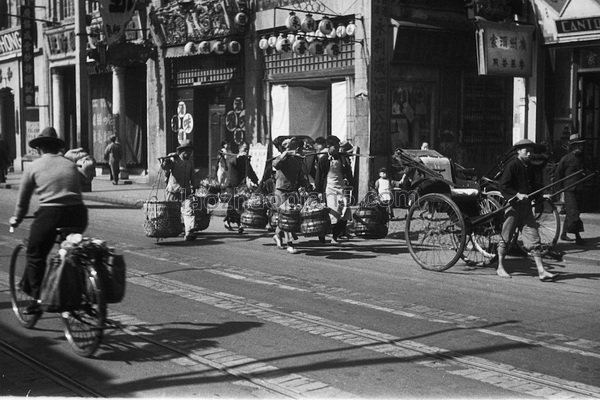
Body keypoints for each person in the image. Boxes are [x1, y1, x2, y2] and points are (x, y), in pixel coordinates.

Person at [9, 127, 88, 315]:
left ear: (39, 149)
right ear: (56, 147)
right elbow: (76, 190)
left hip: (50, 214)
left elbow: (22, 202)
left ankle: (37, 299)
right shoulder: (69, 164)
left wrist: (16, 219)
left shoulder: (33, 167)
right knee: (71, 253)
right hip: (78, 214)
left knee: (35, 254)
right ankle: (83, 290)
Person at [496, 139, 557, 281]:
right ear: (518, 151)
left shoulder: (529, 167)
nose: (529, 154)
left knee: (534, 238)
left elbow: (534, 186)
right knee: (506, 237)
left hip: (526, 208)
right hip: (513, 207)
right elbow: (503, 185)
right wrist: (517, 194)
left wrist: (541, 195)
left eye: (531, 151)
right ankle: (500, 266)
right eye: (526, 151)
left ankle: (541, 270)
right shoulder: (512, 165)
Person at [272, 137, 309, 253]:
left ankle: (277, 235)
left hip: (292, 190)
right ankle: (290, 244)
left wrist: (306, 186)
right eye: (288, 147)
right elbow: (275, 165)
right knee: (287, 216)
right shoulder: (281, 159)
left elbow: (300, 175)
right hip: (281, 191)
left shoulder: (298, 160)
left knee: (289, 217)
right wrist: (285, 154)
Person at [315, 136, 354, 244]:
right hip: (329, 189)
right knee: (333, 213)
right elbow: (319, 176)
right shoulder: (323, 160)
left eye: (338, 146)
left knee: (345, 212)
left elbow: (349, 173)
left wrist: (351, 184)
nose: (337, 149)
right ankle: (322, 233)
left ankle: (335, 236)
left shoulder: (343, 159)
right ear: (328, 147)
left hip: (341, 188)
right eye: (334, 146)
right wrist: (318, 192)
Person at [160, 140, 196, 241]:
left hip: (186, 192)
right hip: (173, 191)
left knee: (189, 211)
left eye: (190, 151)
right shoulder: (174, 160)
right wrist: (166, 160)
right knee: (170, 212)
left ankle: (189, 232)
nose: (189, 153)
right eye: (187, 151)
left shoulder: (190, 163)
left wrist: (194, 186)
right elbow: (164, 167)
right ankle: (167, 228)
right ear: (182, 151)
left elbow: (192, 176)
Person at [555, 133, 586, 245]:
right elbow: (558, 175)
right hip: (569, 190)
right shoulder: (566, 159)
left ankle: (563, 234)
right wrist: (560, 193)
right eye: (578, 145)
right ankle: (578, 237)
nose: (580, 148)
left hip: (579, 189)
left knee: (571, 213)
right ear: (573, 146)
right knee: (574, 213)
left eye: (581, 145)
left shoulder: (582, 158)